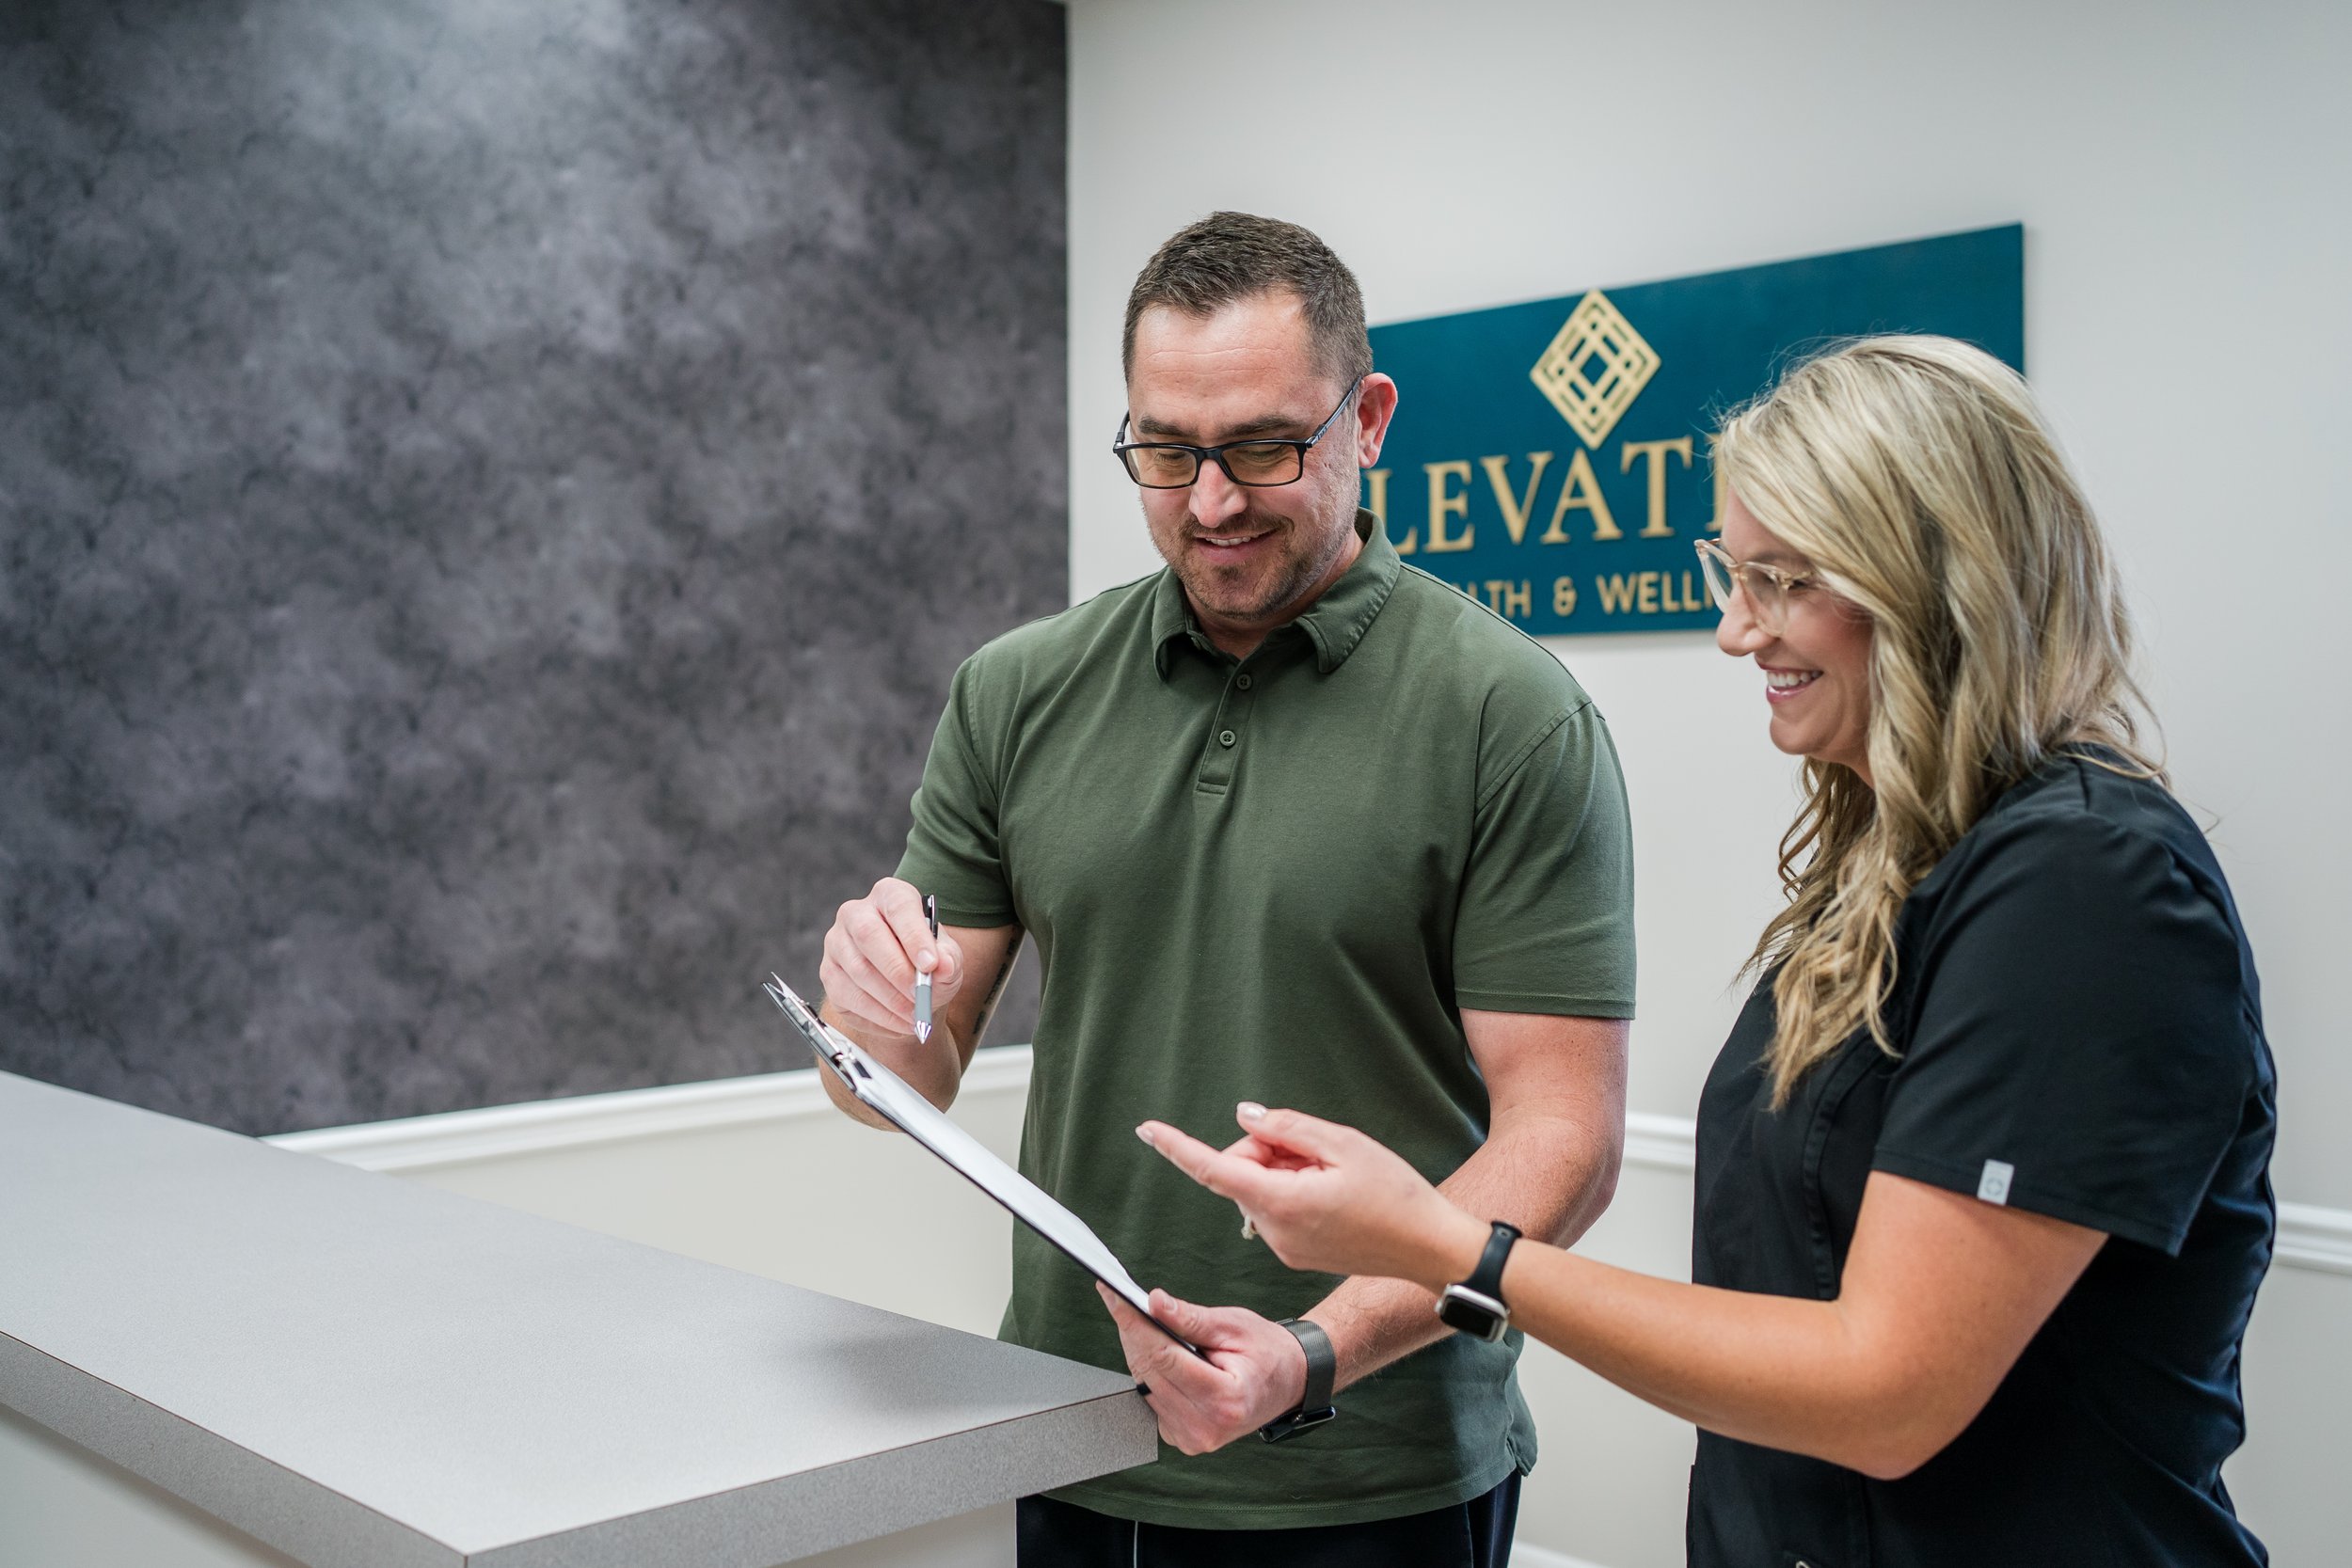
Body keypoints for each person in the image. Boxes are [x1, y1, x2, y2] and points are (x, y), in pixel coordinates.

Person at [1136, 336, 2276, 1567]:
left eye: (1785, 582)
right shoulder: (1897, 870)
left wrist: (1437, 1241)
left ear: (1942, 582)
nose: (1740, 633)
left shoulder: (2088, 891)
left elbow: (1886, 1393)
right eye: (1735, 575)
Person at [813, 212, 1637, 1566]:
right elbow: (905, 1073)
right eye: (1164, 450)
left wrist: (1312, 1354)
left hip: (1373, 1466)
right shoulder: (1015, 691)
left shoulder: (1510, 714)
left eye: (1264, 446)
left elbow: (1567, 1147)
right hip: (1075, 1431)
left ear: (1367, 418)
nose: (1209, 501)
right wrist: (867, 1022)